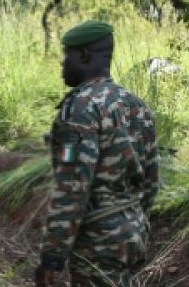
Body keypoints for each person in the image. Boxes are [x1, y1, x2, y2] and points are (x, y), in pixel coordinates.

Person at [34, 21, 159, 287]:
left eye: (67, 54)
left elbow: (72, 189)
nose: (62, 64)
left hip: (99, 239)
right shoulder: (136, 105)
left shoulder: (81, 108)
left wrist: (52, 258)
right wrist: (131, 221)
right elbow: (151, 183)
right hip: (134, 232)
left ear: (84, 56)